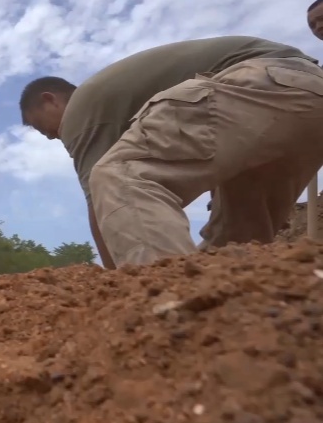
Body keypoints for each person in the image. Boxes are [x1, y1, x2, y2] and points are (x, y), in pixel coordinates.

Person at [19, 36, 323, 268]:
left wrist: (116, 285)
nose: (53, 137)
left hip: (267, 81)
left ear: (50, 100)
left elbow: (100, 206)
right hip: (309, 98)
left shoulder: (79, 109)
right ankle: (235, 322)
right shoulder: (109, 99)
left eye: (44, 128)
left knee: (120, 175)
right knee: (235, 242)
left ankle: (169, 306)